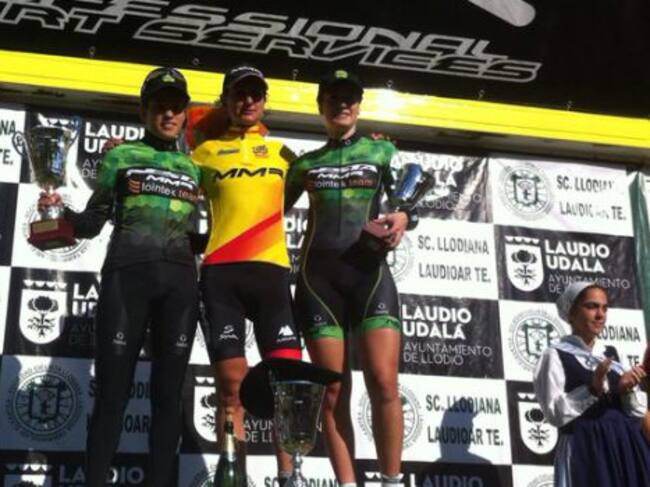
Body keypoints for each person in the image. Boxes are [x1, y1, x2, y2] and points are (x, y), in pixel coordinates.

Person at [39, 67, 200, 487]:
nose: (169, 114)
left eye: (176, 107)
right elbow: (92, 223)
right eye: (160, 106)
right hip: (127, 280)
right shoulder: (120, 157)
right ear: (144, 112)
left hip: (181, 285)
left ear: (185, 113)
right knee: (112, 395)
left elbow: (203, 235)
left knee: (169, 398)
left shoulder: (194, 167)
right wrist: (57, 212)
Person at [284, 69, 417, 486]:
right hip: (318, 283)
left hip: (370, 278)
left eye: (350, 98)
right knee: (333, 392)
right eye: (334, 98)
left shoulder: (381, 150)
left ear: (359, 105)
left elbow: (408, 197)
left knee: (384, 382)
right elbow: (263, 208)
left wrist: (404, 215)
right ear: (320, 105)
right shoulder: (305, 164)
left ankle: (391, 481)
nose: (342, 105)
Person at [191, 64, 302, 484]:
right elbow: (166, 182)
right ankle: (232, 477)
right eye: (239, 94)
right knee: (231, 388)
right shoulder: (203, 153)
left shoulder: (284, 154)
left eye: (256, 93)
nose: (248, 101)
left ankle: (289, 478)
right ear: (226, 101)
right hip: (222, 277)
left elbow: (331, 178)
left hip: (271, 275)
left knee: (286, 386)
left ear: (265, 100)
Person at [533, 281, 650, 487]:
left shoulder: (612, 353)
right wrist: (592, 390)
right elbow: (554, 413)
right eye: (592, 307)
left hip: (623, 444)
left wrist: (626, 390)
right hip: (585, 447)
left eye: (604, 308)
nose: (600, 315)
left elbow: (638, 411)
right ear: (571, 312)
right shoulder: (555, 355)